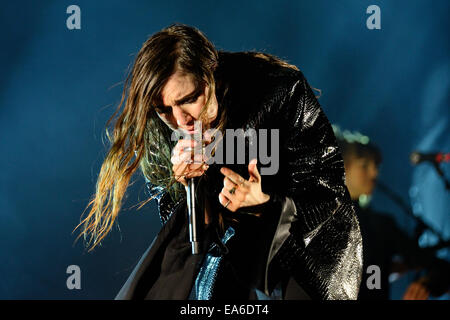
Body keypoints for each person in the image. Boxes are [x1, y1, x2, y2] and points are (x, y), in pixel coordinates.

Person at [77, 23, 363, 300]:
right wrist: (188, 187)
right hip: (229, 255)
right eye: (165, 109)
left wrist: (266, 203)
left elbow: (326, 196)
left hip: (303, 256)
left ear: (210, 72)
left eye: (189, 99)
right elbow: (184, 232)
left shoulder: (278, 90)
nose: (180, 120)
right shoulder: (156, 126)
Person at [335, 129, 450, 300]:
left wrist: (426, 283)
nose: (375, 173)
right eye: (365, 165)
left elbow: (441, 268)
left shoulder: (380, 226)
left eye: (376, 166)